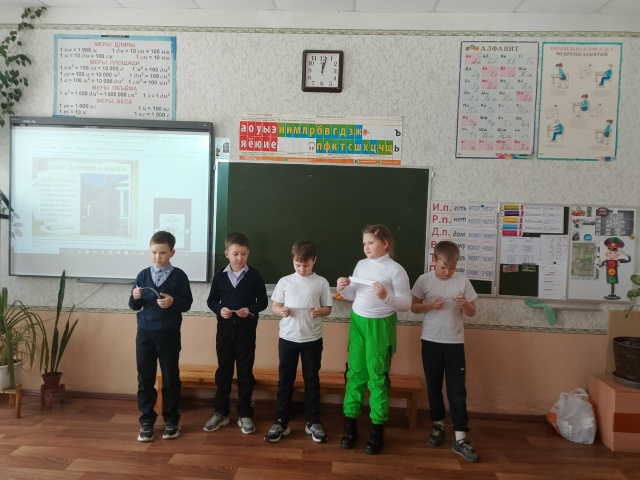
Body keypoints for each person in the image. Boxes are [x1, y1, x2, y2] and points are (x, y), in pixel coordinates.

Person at [336, 224, 411, 455]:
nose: (366, 247)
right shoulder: (361, 265)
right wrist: (343, 288)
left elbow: (406, 304)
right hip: (358, 323)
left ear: (385, 244)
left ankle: (377, 429)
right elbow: (353, 295)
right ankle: (350, 425)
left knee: (377, 376)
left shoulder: (396, 270)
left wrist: (386, 296)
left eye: (371, 243)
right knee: (355, 373)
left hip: (380, 326)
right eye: (364, 243)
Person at [410, 240, 479, 462]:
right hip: (430, 341)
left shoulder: (462, 281)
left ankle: (461, 437)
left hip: (454, 342)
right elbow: (413, 307)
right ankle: (438, 425)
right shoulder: (424, 280)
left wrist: (465, 304)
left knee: (457, 390)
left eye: (452, 267)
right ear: (434, 261)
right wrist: (429, 306)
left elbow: (472, 312)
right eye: (443, 267)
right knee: (434, 386)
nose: (448, 272)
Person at [265, 240, 333, 443]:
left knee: (312, 381)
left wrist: (319, 311)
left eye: (306, 265)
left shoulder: (321, 282)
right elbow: (275, 306)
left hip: (312, 339)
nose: (302, 269)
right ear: (293, 261)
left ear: (314, 261)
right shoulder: (285, 281)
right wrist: (281, 311)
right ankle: (281, 421)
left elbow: (328, 309)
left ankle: (313, 421)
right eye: (298, 265)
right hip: (288, 339)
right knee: (285, 381)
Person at [129, 230, 193, 442]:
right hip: (145, 334)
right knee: (145, 378)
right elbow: (134, 305)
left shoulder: (179, 276)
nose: (158, 257)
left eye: (163, 253)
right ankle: (146, 422)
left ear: (172, 252)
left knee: (170, 378)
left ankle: (172, 421)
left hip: (169, 335)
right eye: (154, 252)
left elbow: (187, 303)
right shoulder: (142, 275)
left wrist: (173, 302)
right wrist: (135, 296)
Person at [203, 232, 268, 435]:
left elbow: (263, 302)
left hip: (246, 333)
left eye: (244, 254)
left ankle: (245, 414)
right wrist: (219, 309)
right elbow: (211, 301)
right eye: (235, 254)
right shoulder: (220, 276)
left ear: (248, 253)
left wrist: (249, 310)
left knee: (245, 373)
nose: (240, 258)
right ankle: (220, 413)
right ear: (227, 254)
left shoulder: (254, 275)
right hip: (224, 333)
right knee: (223, 372)